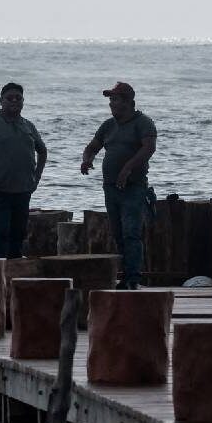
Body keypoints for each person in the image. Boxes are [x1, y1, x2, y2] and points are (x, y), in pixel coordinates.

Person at [80, 82, 157, 290]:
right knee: (117, 233)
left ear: (129, 102)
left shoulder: (143, 123)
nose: (112, 104)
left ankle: (133, 278)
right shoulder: (108, 125)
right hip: (110, 188)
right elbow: (92, 147)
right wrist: (87, 160)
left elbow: (149, 148)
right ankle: (124, 275)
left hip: (133, 187)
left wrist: (127, 168)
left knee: (131, 232)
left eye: (116, 99)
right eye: (111, 100)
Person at [0, 83, 47, 258]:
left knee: (19, 232)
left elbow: (42, 151)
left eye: (18, 98)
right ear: (1, 101)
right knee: (1, 232)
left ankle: (15, 267)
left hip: (23, 189)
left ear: (23, 101)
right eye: (9, 98)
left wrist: (37, 178)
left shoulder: (28, 126)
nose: (14, 101)